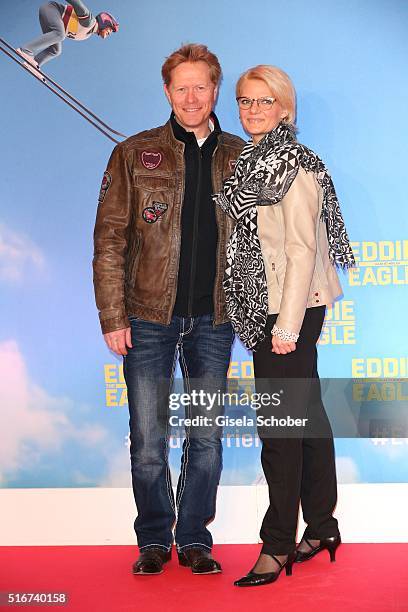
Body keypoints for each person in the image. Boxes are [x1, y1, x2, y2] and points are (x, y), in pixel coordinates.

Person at [93, 43, 244, 576]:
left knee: (205, 437)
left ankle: (195, 537)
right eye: (180, 87)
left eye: (200, 86)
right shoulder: (134, 154)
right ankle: (154, 538)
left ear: (215, 90)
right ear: (166, 92)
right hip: (148, 319)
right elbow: (110, 240)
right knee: (150, 439)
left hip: (214, 321)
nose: (190, 96)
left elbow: (263, 244)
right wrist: (114, 316)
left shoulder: (240, 157)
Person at [214, 65, 355, 587]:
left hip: (287, 309)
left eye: (264, 101)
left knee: (279, 430)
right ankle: (321, 526)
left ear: (285, 107)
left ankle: (276, 546)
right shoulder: (251, 162)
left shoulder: (291, 165)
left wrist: (287, 325)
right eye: (245, 101)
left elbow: (301, 250)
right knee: (307, 417)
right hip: (265, 304)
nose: (253, 111)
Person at [16, 1, 118, 72]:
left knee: (55, 50)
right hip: (51, 9)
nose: (108, 34)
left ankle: (33, 63)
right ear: (105, 22)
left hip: (53, 19)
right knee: (60, 35)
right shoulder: (89, 21)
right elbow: (76, 3)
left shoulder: (87, 34)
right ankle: (26, 50)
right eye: (109, 30)